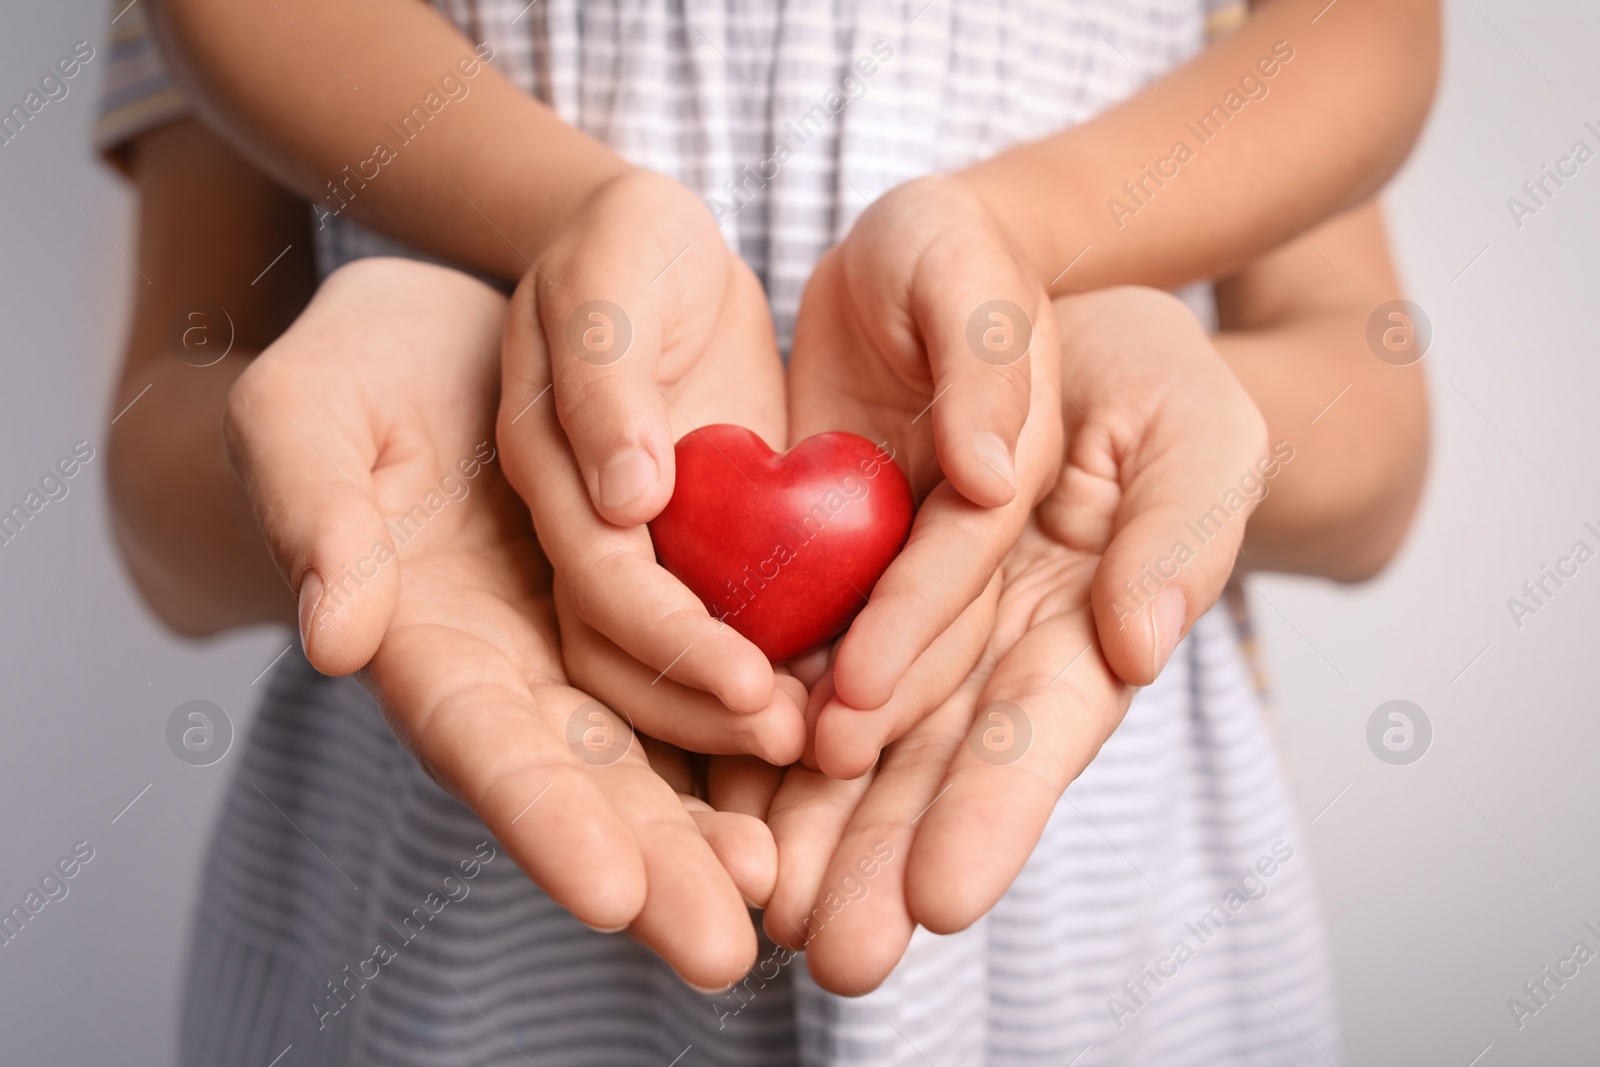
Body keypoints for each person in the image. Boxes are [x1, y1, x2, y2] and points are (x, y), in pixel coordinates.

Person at [102, 0, 1432, 1061]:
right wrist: (406, 469)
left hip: (1119, 972)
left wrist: (1131, 405)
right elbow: (159, 507)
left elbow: (1378, 459)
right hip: (441, 973)